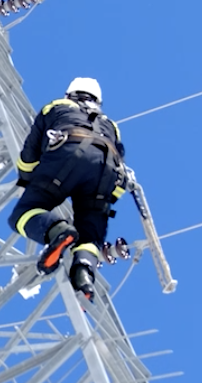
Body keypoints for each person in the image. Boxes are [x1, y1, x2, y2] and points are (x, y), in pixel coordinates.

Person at [11, 77, 131, 298]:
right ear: (98, 101)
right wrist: (103, 201)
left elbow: (30, 153)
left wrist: (26, 179)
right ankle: (84, 272)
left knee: (22, 214)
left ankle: (57, 231)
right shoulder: (110, 125)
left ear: (69, 94)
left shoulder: (55, 107)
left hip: (68, 154)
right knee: (91, 233)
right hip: (104, 171)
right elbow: (119, 169)